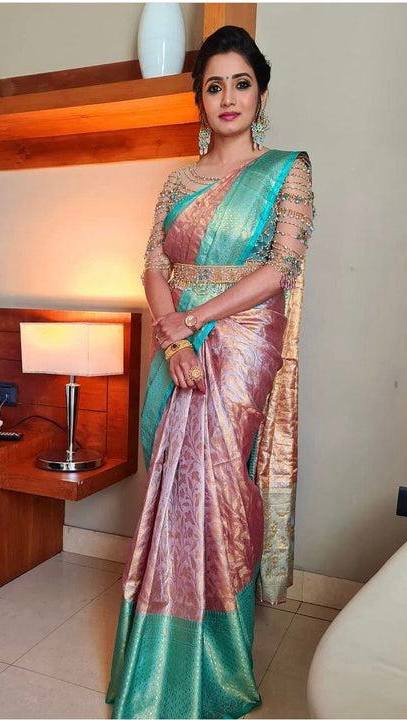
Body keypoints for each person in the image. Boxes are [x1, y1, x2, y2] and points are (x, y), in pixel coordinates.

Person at [106, 24, 315, 720]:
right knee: (173, 486)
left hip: (243, 339)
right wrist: (173, 342)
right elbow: (153, 266)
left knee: (218, 485)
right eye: (213, 85)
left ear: (261, 94)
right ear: (199, 99)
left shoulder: (286, 170)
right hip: (179, 341)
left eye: (240, 83)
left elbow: (279, 269)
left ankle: (214, 661)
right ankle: (158, 657)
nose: (227, 97)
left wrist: (192, 320)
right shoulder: (177, 180)